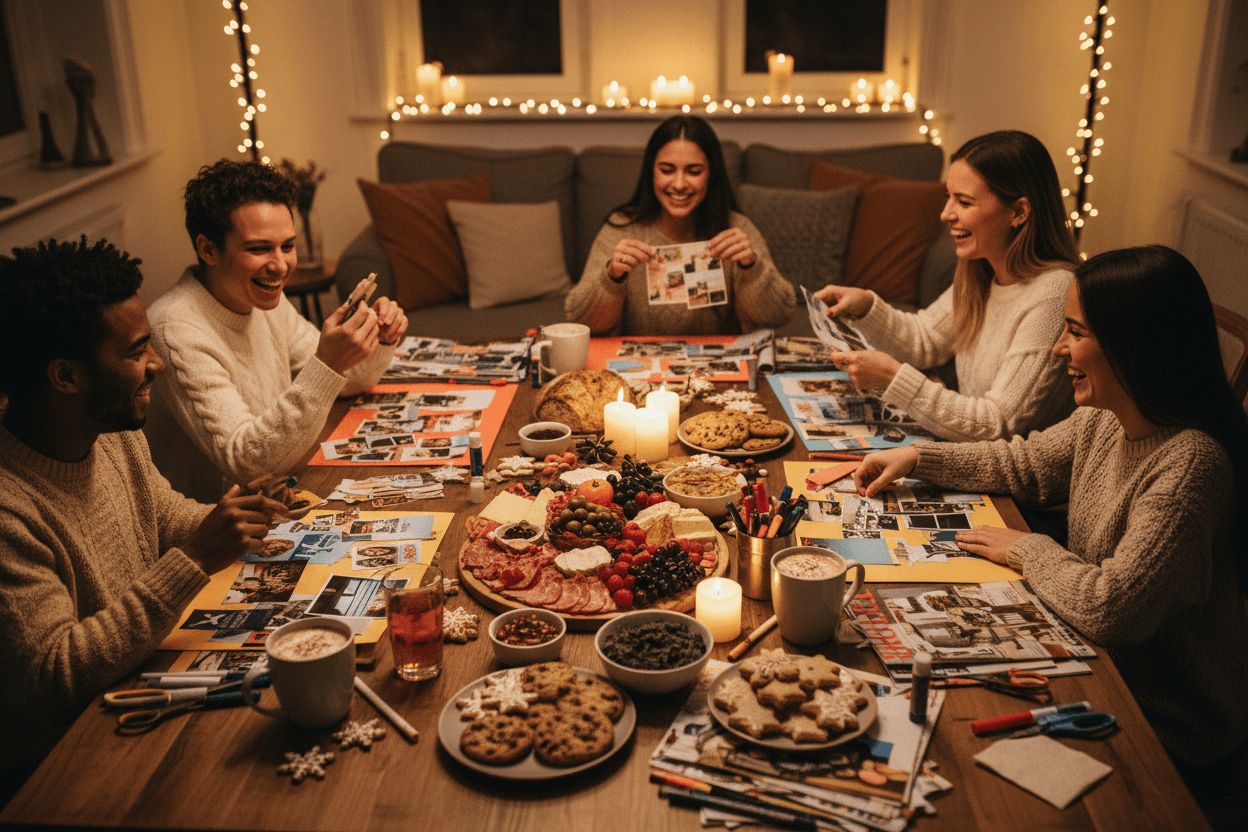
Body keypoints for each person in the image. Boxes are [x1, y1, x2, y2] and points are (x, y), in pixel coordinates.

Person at [853, 246, 1248, 767]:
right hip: (1097, 661)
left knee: (949, 743)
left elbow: (1111, 609)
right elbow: (1024, 465)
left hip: (1160, 720)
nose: (1059, 347)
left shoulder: (1190, 467)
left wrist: (1027, 549)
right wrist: (918, 457)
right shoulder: (1109, 415)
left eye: (1076, 332)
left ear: (1134, 345)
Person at [0, 237, 287, 775]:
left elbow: (161, 516)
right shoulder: (9, 511)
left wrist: (238, 516)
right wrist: (196, 559)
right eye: (136, 353)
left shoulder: (110, 431)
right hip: (65, 762)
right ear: (66, 376)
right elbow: (56, 675)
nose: (157, 363)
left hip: (136, 678)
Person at [144, 160, 408, 502]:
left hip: (283, 491)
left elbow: (348, 381)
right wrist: (327, 364)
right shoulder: (174, 330)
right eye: (258, 248)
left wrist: (380, 338)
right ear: (208, 249)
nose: (281, 266)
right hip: (219, 520)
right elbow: (247, 464)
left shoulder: (264, 300)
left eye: (287, 246)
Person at [815, 130, 1078, 442]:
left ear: (1018, 212)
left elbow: (999, 424)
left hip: (1010, 470)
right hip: (969, 453)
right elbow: (923, 339)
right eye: (948, 198)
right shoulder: (981, 273)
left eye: (964, 202)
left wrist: (892, 377)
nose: (945, 214)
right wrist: (867, 306)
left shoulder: (1054, 293)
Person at [565, 115, 795, 335]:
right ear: (651, 173)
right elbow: (581, 320)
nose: (679, 184)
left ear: (711, 175)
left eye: (694, 171)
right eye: (667, 170)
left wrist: (751, 267)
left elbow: (779, 314)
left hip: (720, 360)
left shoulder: (736, 228)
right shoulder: (622, 227)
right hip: (641, 360)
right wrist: (612, 277)